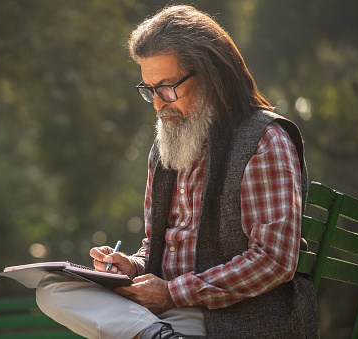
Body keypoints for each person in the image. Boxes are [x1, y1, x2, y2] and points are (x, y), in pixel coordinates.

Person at [36, 5, 319, 339]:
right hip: (167, 313)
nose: (157, 104)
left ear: (212, 77)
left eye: (167, 88)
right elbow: (157, 246)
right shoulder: (163, 148)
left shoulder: (265, 140)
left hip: (232, 317)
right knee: (51, 288)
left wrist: (173, 293)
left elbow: (273, 260)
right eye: (149, 89)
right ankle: (157, 335)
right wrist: (132, 265)